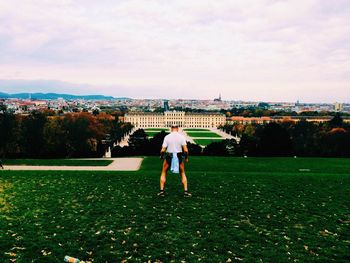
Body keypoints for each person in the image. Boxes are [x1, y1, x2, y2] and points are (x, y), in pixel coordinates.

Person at [158, 125, 191, 197]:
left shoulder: (167, 137)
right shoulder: (181, 137)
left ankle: (161, 191)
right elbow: (185, 150)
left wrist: (161, 156)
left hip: (169, 156)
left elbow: (163, 150)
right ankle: (185, 191)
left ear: (171, 129)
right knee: (182, 173)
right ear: (177, 129)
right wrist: (186, 158)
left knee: (163, 172)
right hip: (178, 156)